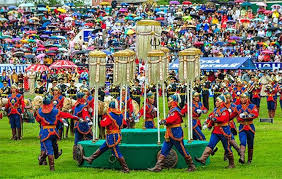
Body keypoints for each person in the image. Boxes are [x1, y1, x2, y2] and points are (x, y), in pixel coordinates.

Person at [148, 95, 196, 172]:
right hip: (169, 133)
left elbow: (172, 119)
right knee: (164, 149)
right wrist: (164, 120)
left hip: (176, 133)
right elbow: (169, 119)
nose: (168, 102)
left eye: (170, 100)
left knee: (182, 150)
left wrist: (165, 121)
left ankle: (191, 165)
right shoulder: (172, 110)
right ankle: (158, 166)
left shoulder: (175, 110)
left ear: (174, 101)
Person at [83, 101, 130, 173]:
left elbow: (103, 124)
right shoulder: (120, 114)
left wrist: (103, 117)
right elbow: (124, 124)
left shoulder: (110, 114)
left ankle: (125, 169)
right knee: (102, 148)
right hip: (116, 134)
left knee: (116, 153)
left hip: (112, 136)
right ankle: (91, 158)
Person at [36, 95, 78, 171]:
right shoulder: (55, 111)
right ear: (50, 103)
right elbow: (65, 115)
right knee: (53, 146)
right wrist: (74, 117)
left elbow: (38, 120)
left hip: (45, 132)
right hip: (54, 132)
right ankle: (44, 159)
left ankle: (51, 167)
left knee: (48, 149)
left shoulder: (39, 111)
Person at [195, 95, 235, 168]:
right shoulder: (215, 110)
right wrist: (208, 122)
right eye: (216, 101)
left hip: (224, 131)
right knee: (210, 144)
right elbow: (211, 116)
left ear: (222, 102)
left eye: (217, 101)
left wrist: (214, 118)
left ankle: (231, 164)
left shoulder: (225, 110)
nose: (216, 102)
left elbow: (222, 119)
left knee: (227, 147)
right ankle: (203, 159)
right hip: (216, 130)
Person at [233, 93, 258, 164]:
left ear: (247, 98)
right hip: (242, 127)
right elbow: (232, 115)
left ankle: (249, 160)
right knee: (243, 142)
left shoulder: (252, 106)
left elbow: (256, 114)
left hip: (250, 126)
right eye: (241, 98)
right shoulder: (238, 107)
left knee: (250, 143)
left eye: (244, 98)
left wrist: (248, 115)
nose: (242, 99)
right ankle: (242, 157)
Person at [224, 92, 241, 161]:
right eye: (226, 98)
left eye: (229, 98)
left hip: (231, 124)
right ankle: (238, 151)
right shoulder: (222, 105)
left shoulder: (233, 106)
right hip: (224, 124)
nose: (228, 100)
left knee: (229, 140)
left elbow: (237, 113)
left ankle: (227, 154)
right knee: (228, 140)